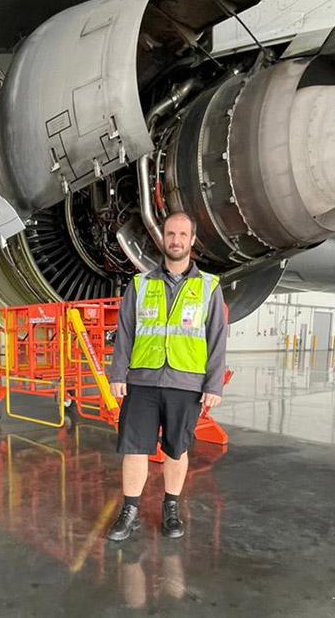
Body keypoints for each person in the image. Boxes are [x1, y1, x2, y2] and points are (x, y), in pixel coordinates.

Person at [106, 211, 227, 541]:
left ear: (191, 241)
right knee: (134, 448)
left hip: (185, 384)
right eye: (170, 234)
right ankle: (129, 510)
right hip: (142, 382)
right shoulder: (140, 284)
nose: (175, 240)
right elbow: (125, 332)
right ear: (163, 239)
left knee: (177, 450)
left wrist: (213, 384)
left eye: (182, 235)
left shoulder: (208, 287)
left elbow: (217, 337)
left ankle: (171, 508)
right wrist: (118, 374)